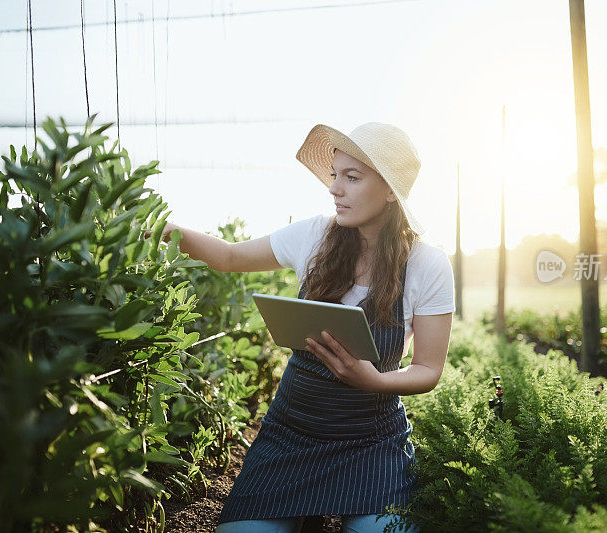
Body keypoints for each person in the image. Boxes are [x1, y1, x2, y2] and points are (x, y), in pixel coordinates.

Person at [148, 123, 454, 533]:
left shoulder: (426, 265)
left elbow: (428, 370)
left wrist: (372, 381)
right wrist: (175, 232)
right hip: (292, 433)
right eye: (335, 176)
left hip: (370, 442)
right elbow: (231, 257)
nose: (335, 189)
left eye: (351, 177)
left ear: (389, 190)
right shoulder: (314, 235)